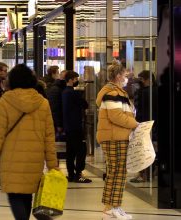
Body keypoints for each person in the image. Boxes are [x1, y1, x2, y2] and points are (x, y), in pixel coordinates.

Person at [0, 64, 58, 220]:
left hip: (11, 159)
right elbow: (49, 137)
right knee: (27, 194)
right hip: (34, 159)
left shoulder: (5, 101)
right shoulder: (42, 103)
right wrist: (52, 164)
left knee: (15, 194)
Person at [96, 60, 138, 220]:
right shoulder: (112, 93)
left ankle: (113, 206)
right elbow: (116, 116)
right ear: (119, 75)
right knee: (117, 172)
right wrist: (135, 124)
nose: (127, 77)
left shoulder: (116, 92)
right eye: (125, 74)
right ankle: (110, 208)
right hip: (115, 137)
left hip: (117, 136)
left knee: (117, 172)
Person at [62, 71, 91, 183]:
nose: (76, 81)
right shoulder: (74, 93)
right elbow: (85, 104)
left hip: (68, 127)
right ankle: (78, 173)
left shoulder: (64, 93)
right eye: (75, 79)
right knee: (81, 150)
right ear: (70, 80)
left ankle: (70, 174)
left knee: (70, 152)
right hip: (76, 126)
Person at [130, 70, 158, 183]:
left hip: (144, 124)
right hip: (156, 124)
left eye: (141, 79)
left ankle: (144, 174)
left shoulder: (140, 92)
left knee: (143, 149)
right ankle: (152, 172)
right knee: (154, 148)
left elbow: (137, 109)